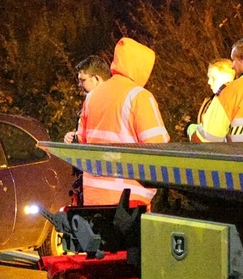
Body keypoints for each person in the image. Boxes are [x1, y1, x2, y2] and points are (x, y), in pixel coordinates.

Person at [63, 38, 170, 206]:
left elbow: (82, 143)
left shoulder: (92, 97)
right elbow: (158, 147)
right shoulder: (139, 96)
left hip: (93, 196)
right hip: (130, 200)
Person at [187, 58, 235, 141]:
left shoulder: (226, 101)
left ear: (229, 77)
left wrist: (190, 129)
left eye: (213, 77)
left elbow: (207, 138)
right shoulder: (212, 100)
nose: (209, 82)